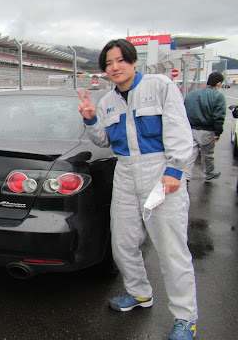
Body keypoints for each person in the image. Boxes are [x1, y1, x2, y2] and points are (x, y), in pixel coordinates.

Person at [77, 39, 198, 340]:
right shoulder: (106, 101)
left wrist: (175, 169)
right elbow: (104, 142)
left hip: (161, 173)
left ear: (132, 62)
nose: (114, 67)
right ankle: (139, 293)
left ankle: (186, 318)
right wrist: (91, 119)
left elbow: (180, 130)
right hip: (126, 172)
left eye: (120, 60)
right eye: (108, 64)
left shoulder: (160, 87)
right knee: (122, 243)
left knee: (171, 250)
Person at [184, 71, 226, 183]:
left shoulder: (192, 94)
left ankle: (186, 178)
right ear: (218, 83)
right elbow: (219, 116)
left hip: (190, 129)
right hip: (207, 130)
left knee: (190, 154)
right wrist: (218, 132)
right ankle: (209, 174)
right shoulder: (218, 96)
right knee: (207, 155)